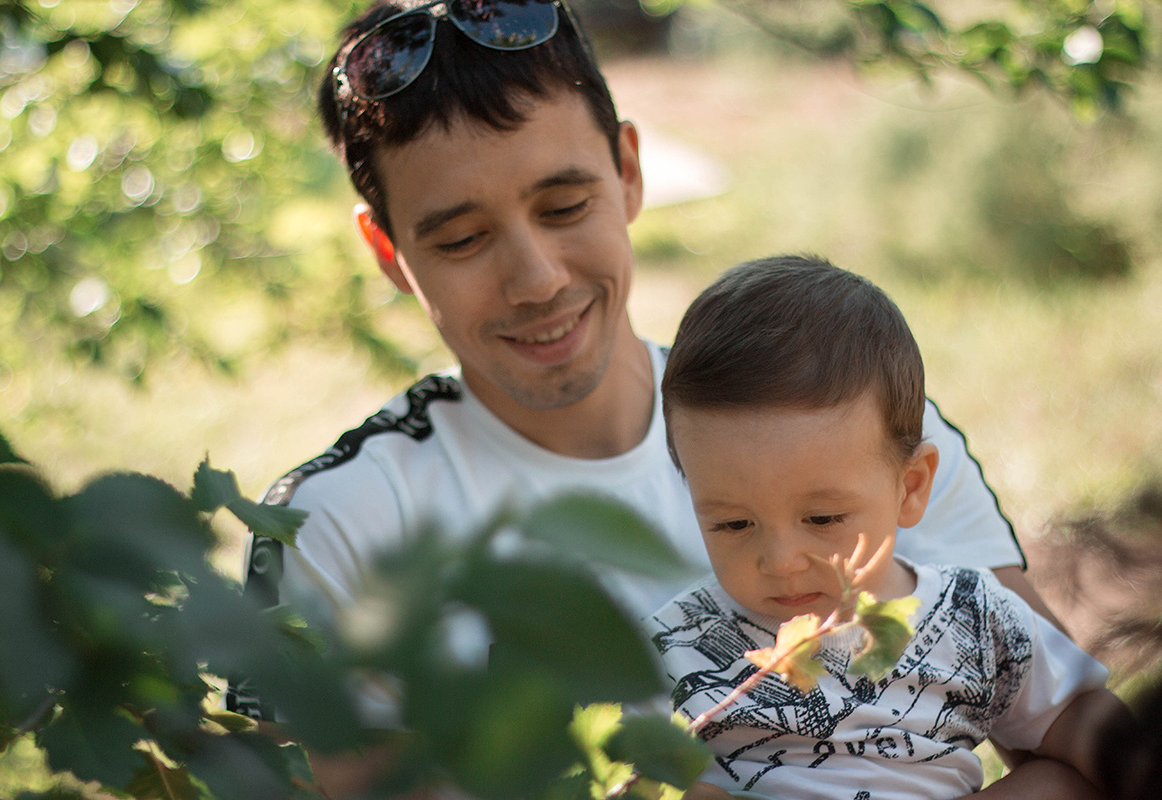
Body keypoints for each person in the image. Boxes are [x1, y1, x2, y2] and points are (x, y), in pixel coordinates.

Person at [228, 0, 1090, 795]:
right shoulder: (330, 523)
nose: (536, 279)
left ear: (630, 170)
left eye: (565, 206)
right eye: (461, 239)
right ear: (386, 252)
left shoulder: (850, 424)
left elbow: (1073, 749)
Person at [647, 255, 1128, 799]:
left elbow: (1078, 715)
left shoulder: (972, 616)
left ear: (912, 486)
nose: (781, 559)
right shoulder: (673, 647)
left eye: (823, 518)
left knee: (1059, 785)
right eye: (733, 523)